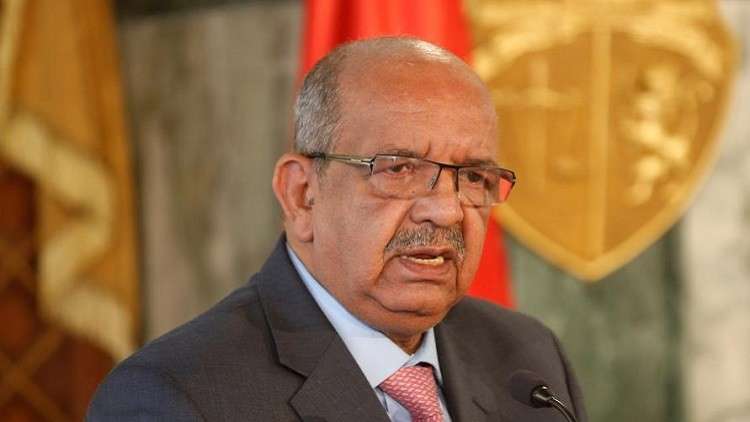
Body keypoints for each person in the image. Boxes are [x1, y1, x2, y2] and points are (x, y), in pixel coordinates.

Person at [87, 37, 587, 422]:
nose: (446, 211)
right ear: (302, 194)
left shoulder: (528, 357)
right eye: (399, 169)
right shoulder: (175, 397)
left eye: (474, 177)